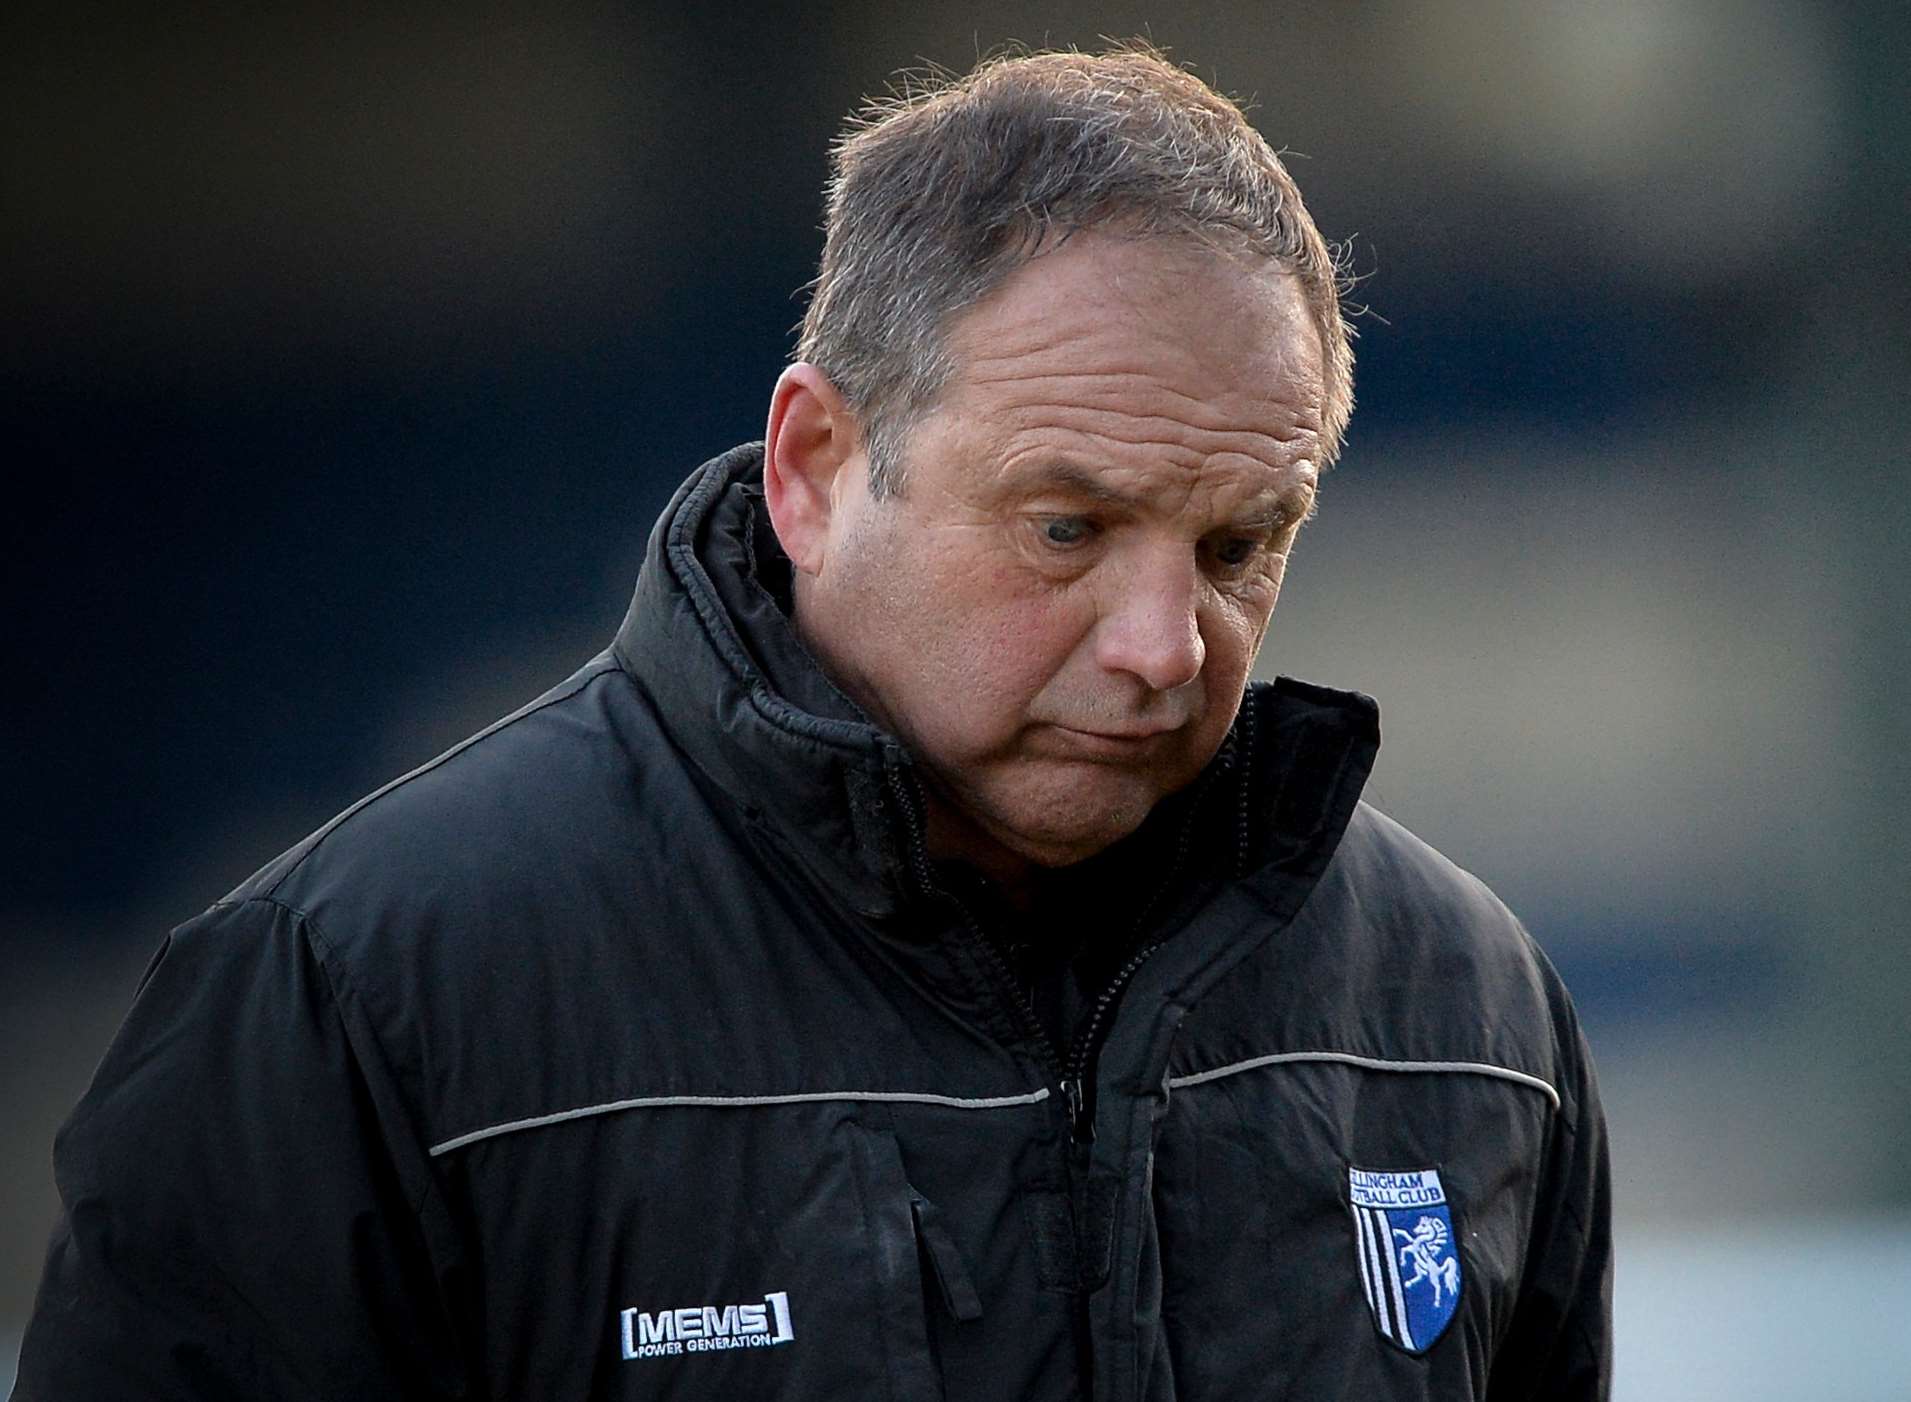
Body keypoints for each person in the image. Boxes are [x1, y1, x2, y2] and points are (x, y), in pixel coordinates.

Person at [15, 45, 1610, 1400]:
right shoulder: (351, 1005)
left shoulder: (1471, 1026)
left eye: (1236, 546)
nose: (1162, 647)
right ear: (814, 465)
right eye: (1065, 527)